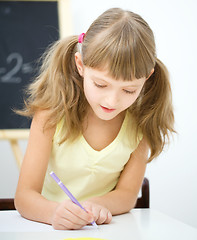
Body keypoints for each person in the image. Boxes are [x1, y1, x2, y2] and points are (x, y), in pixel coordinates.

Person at [14, 8, 175, 230]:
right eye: (101, 85)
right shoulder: (51, 115)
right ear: (81, 65)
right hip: (49, 229)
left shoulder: (141, 124)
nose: (112, 100)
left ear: (147, 77)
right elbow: (24, 196)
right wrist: (54, 213)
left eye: (129, 90)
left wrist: (96, 205)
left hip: (108, 230)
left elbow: (128, 195)